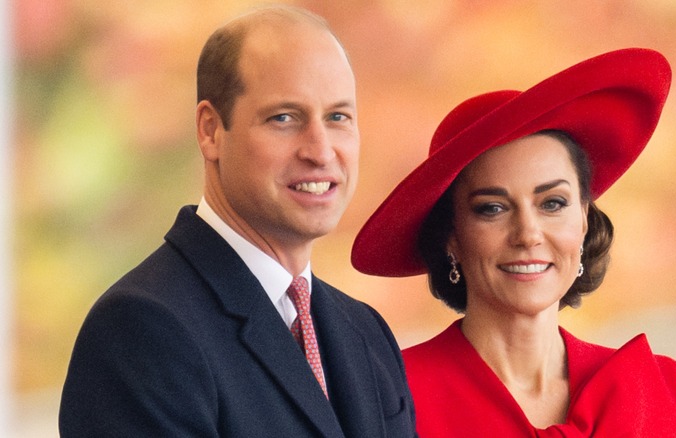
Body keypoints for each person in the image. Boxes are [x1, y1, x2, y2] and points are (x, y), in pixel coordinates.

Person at [60, 5, 415, 437]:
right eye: (284, 118)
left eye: (338, 117)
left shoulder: (365, 332)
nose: (321, 151)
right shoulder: (142, 329)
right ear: (210, 130)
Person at [351, 48, 676, 437]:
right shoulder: (388, 397)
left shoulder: (663, 387)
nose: (528, 234)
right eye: (492, 208)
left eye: (552, 203)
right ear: (450, 235)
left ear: (584, 219)